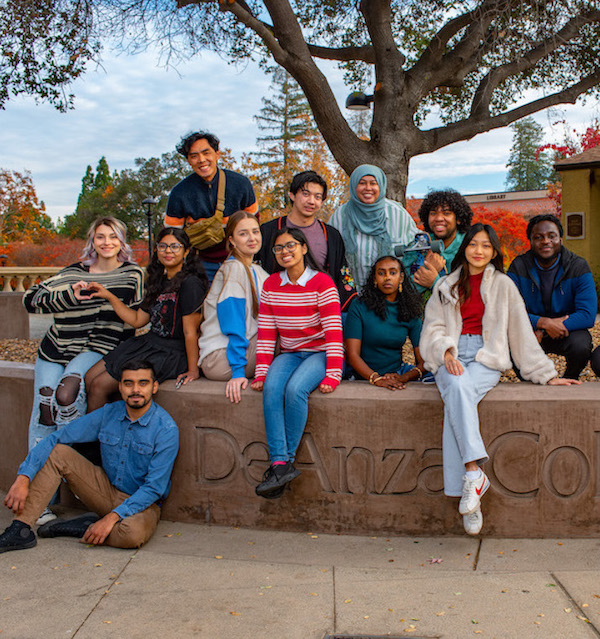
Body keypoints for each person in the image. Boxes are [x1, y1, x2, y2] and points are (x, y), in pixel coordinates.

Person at [420, 223, 579, 537]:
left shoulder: (504, 285)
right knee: (456, 388)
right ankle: (473, 478)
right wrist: (446, 353)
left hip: (484, 356)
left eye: (486, 246)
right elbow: (432, 330)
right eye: (473, 244)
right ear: (465, 248)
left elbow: (520, 332)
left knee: (459, 390)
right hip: (451, 355)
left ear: (493, 252)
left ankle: (470, 479)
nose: (479, 251)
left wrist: (546, 375)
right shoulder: (446, 286)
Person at [23, 216, 144, 525]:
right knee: (43, 412)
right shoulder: (73, 273)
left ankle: (73, 472)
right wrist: (69, 296)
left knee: (68, 395)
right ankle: (41, 501)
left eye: (113, 237)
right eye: (100, 237)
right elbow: (31, 299)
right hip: (55, 349)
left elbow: (136, 318)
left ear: (122, 241)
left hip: (95, 349)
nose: (106, 243)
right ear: (92, 241)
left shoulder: (132, 275)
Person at [0, 361, 178, 553]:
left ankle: (86, 527)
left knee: (131, 534)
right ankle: (21, 530)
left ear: (154, 386)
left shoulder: (166, 429)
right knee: (60, 453)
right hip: (105, 491)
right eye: (129, 383)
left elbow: (154, 488)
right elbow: (57, 437)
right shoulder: (109, 413)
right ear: (120, 387)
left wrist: (113, 517)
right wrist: (23, 477)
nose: (135, 390)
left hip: (142, 504)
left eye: (143, 383)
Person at [251, 227, 343, 498]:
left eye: (290, 245)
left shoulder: (322, 283)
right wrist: (261, 372)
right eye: (278, 248)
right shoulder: (270, 285)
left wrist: (333, 373)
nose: (284, 252)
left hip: (320, 353)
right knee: (271, 388)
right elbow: (267, 332)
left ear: (304, 248)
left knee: (295, 390)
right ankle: (281, 464)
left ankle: (282, 463)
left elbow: (334, 331)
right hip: (290, 353)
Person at [85, 228, 207, 411]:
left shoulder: (190, 284)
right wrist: (109, 296)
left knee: (99, 385)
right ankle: (112, 429)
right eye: (163, 246)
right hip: (149, 343)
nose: (168, 251)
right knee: (89, 377)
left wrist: (193, 370)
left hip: (171, 352)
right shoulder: (159, 281)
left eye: (175, 246)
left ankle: (93, 439)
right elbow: (137, 320)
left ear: (186, 251)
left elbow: (191, 332)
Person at [507, 214, 597, 380]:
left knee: (581, 344)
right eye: (538, 237)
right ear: (531, 241)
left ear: (560, 239)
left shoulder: (578, 266)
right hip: (531, 331)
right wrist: (542, 323)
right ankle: (532, 380)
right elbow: (508, 310)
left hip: (566, 330)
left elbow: (587, 314)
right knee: (513, 343)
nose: (545, 241)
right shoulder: (518, 266)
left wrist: (549, 327)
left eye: (551, 236)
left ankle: (570, 378)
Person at [164, 131, 258, 283]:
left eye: (206, 153)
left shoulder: (241, 184)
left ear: (217, 154)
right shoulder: (179, 193)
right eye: (194, 156)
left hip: (238, 260)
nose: (201, 160)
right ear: (188, 160)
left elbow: (255, 224)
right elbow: (172, 236)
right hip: (200, 265)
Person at [256, 170, 356, 312]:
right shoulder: (268, 231)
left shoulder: (331, 235)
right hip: (279, 308)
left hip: (320, 309)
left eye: (317, 197)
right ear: (292, 195)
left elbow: (342, 275)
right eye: (305, 194)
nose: (311, 201)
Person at [198, 211, 269, 403]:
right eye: (243, 233)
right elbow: (234, 323)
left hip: (234, 354)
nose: (252, 238)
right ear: (232, 240)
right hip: (221, 358)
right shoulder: (233, 269)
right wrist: (238, 372)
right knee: (285, 338)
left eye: (255, 231)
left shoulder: (257, 270)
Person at [329, 165, 418, 291]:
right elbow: (330, 254)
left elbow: (415, 248)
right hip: (352, 298)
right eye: (362, 183)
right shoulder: (340, 216)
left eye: (373, 183)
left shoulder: (398, 214)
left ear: (381, 186)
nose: (368, 188)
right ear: (354, 185)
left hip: (391, 297)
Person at [344, 256, 428, 388]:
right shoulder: (359, 305)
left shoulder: (409, 309)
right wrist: (376, 378)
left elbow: (424, 361)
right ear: (374, 279)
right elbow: (352, 355)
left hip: (397, 373)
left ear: (401, 278)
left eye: (393, 273)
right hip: (361, 374)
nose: (387, 277)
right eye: (381, 273)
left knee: (437, 375)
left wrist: (404, 377)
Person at [402, 189, 473, 295]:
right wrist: (429, 268)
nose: (439, 218)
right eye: (433, 213)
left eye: (446, 213)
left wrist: (435, 282)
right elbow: (401, 290)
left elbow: (472, 294)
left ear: (458, 219)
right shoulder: (419, 244)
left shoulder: (470, 246)